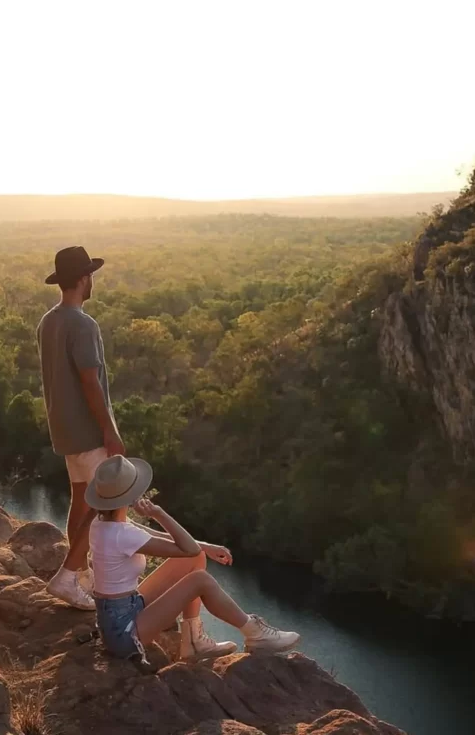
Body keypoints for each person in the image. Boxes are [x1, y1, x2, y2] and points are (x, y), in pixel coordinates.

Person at [87, 454, 301, 662]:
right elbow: (186, 547)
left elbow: (167, 541)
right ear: (133, 496)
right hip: (124, 633)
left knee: (195, 558)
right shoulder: (122, 534)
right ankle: (255, 632)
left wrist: (205, 547)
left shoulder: (104, 524)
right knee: (201, 580)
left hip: (120, 614)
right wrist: (158, 514)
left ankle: (193, 642)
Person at [36, 245, 123, 609]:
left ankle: (82, 574)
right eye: (91, 276)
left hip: (64, 429)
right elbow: (90, 381)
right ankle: (70, 578)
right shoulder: (83, 324)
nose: (92, 282)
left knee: (80, 502)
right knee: (108, 506)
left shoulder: (48, 321)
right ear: (84, 279)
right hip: (88, 430)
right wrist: (110, 430)